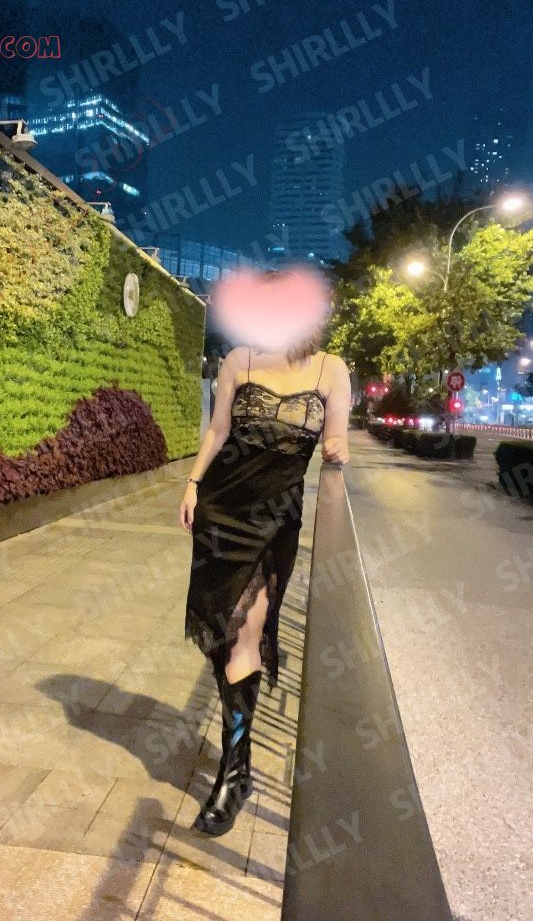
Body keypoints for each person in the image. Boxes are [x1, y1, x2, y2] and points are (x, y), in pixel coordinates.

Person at [179, 315, 351, 837]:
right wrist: (192, 484)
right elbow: (218, 430)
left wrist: (338, 451)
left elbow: (337, 438)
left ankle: (234, 776)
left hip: (274, 522)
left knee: (243, 635)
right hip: (220, 512)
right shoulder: (241, 360)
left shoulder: (330, 370)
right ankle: (241, 763)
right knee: (225, 636)